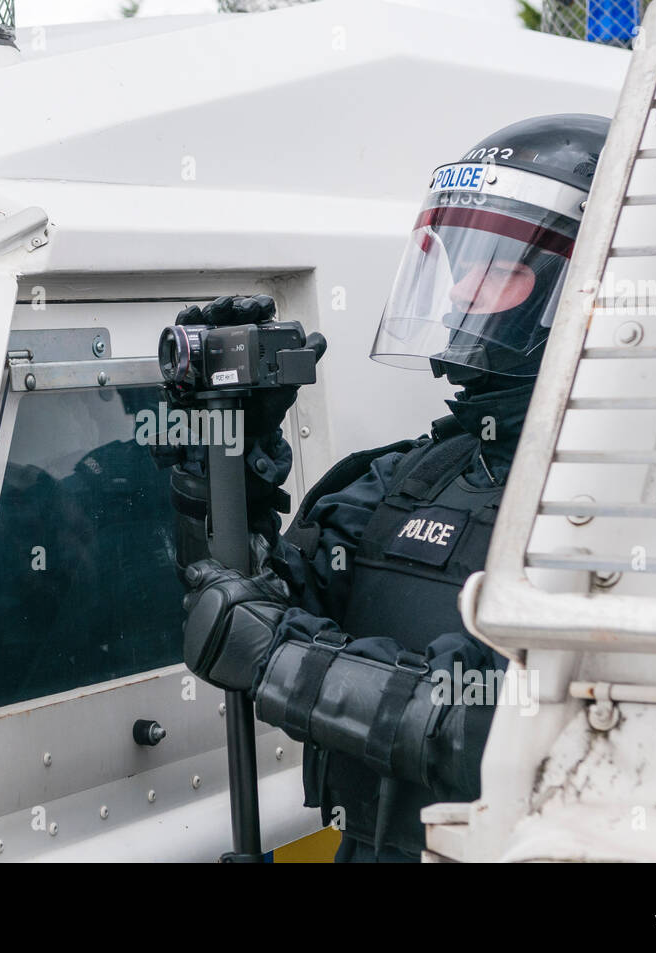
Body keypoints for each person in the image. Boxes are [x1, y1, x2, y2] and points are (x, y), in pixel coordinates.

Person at [171, 114, 611, 862]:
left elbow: (507, 728)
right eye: (459, 262)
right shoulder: (405, 479)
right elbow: (227, 604)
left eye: (501, 267)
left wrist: (282, 658)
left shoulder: (646, 499)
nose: (460, 295)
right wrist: (218, 456)